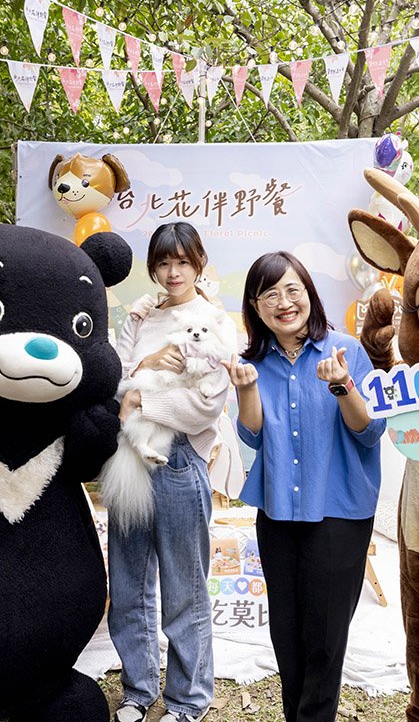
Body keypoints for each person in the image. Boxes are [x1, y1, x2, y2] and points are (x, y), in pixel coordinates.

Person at [224, 251, 385, 722]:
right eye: (269, 294)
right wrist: (247, 388)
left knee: (325, 635)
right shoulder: (254, 360)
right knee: (287, 633)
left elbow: (370, 430)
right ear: (255, 307)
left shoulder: (346, 351)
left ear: (309, 293)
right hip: (277, 510)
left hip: (338, 510)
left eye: (292, 289)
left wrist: (342, 387)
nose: (283, 302)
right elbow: (252, 434)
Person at [109, 222, 235, 722]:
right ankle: (138, 692)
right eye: (163, 263)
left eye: (182, 261)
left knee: (184, 588)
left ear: (198, 263)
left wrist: (144, 397)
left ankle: (188, 701)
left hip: (180, 461)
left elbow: (207, 404)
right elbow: (113, 377)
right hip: (129, 455)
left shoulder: (213, 321)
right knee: (128, 583)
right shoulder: (139, 318)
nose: (172, 272)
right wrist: (141, 372)